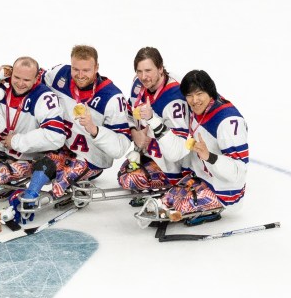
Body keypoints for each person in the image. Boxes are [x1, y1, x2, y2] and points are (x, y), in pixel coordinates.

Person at [138, 69, 248, 224]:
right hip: (200, 177)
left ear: (210, 92)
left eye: (199, 94)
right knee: (163, 203)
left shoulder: (228, 121)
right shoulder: (193, 108)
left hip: (223, 190)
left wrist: (210, 157)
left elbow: (238, 172)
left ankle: (211, 209)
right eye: (189, 95)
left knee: (178, 205)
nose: (194, 100)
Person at [37, 45, 131, 200]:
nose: (80, 75)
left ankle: (39, 201)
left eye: (86, 70)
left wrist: (94, 129)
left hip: (91, 159)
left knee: (60, 183)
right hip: (63, 148)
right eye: (75, 69)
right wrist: (6, 71)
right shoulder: (59, 74)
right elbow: (31, 77)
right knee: (39, 167)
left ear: (96, 68)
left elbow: (120, 148)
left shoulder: (113, 98)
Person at [0, 57, 67, 186]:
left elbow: (56, 136)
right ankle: (0, 155)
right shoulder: (0, 84)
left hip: (28, 156)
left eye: (26, 80)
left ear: (36, 78)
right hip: (0, 152)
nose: (20, 83)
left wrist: (16, 141)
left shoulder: (44, 97)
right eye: (17, 77)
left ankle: (33, 172)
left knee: (0, 176)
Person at [118, 47, 188, 194]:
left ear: (160, 68)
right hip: (149, 154)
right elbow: (129, 112)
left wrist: (153, 127)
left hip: (172, 166)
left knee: (131, 179)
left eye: (148, 70)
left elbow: (179, 149)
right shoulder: (138, 84)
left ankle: (175, 184)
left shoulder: (175, 97)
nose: (143, 77)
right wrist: (134, 132)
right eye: (139, 71)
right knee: (123, 175)